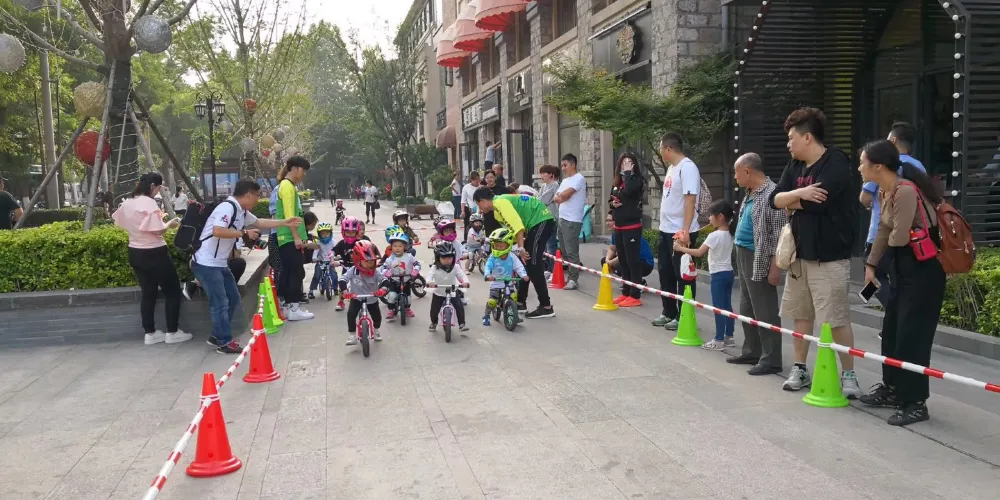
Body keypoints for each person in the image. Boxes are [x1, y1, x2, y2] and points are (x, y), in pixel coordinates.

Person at [769, 107, 861, 397]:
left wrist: (792, 201)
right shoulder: (794, 166)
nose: (788, 144)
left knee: (836, 318)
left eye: (791, 138)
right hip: (799, 255)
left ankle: (848, 374)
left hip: (829, 256)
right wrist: (799, 194)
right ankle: (799, 368)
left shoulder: (836, 162)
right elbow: (774, 199)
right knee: (801, 314)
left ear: (807, 137)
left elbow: (820, 202)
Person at [858, 139, 946, 426]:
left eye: (862, 163)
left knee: (913, 338)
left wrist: (890, 241)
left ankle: (915, 402)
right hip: (902, 270)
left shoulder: (905, 190)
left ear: (878, 166)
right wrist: (871, 265)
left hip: (922, 274)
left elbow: (897, 236)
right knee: (892, 332)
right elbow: (885, 231)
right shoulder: (887, 190)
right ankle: (893, 388)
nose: (859, 168)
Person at [194, 179, 301, 354]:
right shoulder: (227, 207)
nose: (257, 200)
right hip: (206, 263)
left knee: (233, 298)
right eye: (257, 196)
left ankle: (217, 336)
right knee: (220, 303)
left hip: (219, 263)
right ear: (249, 194)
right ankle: (224, 341)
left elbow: (259, 223)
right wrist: (244, 233)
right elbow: (217, 231)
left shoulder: (241, 211)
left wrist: (285, 222)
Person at [726, 153, 787, 376]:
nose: (735, 177)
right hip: (743, 251)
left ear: (747, 171)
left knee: (765, 308)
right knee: (747, 306)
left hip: (759, 256)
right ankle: (752, 350)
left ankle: (771, 358)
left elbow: (780, 233)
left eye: (736, 172)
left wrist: (775, 266)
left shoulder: (772, 193)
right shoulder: (750, 192)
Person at [111, 173, 190, 345]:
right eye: (159, 188)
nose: (158, 191)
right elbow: (158, 230)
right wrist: (170, 224)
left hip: (135, 251)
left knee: (148, 293)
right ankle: (172, 332)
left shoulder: (128, 202)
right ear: (153, 186)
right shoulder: (148, 203)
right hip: (155, 252)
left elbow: (120, 222)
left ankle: (150, 333)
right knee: (173, 291)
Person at [860, 122, 926, 312]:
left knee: (875, 274)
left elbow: (864, 199)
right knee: (900, 279)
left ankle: (894, 311)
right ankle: (898, 313)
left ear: (893, 140)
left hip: (882, 234)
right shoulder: (918, 166)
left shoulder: (882, 168)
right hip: (914, 238)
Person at [474, 188, 556, 319]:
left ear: (482, 201)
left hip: (541, 219)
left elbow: (518, 227)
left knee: (534, 265)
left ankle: (546, 307)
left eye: (478, 205)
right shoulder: (497, 212)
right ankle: (520, 302)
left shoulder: (501, 202)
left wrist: (521, 248)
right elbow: (511, 233)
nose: (480, 209)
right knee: (525, 264)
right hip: (533, 225)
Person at [651, 133, 702, 331]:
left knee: (683, 275)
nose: (660, 152)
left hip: (680, 232)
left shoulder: (687, 167)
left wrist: (685, 230)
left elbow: (690, 200)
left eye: (661, 148)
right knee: (666, 273)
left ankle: (684, 315)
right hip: (666, 229)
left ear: (669, 149)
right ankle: (669, 311)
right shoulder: (672, 168)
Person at [674, 201, 736, 351]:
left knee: (718, 308)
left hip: (718, 275)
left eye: (710, 215)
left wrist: (680, 248)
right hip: (729, 272)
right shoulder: (730, 233)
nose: (709, 219)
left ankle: (719, 339)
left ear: (720, 217)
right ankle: (729, 336)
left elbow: (699, 252)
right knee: (727, 306)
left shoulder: (714, 236)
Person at [274, 156, 314, 321]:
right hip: (290, 238)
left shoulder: (288, 186)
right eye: (303, 170)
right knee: (296, 272)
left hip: (288, 237)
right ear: (295, 168)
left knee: (291, 271)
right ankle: (294, 308)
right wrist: (297, 238)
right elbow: (290, 216)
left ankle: (288, 306)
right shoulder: (287, 186)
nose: (304, 174)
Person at [608, 153, 647, 306]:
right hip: (619, 225)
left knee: (632, 260)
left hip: (632, 226)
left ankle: (635, 295)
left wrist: (628, 174)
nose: (626, 165)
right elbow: (611, 199)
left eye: (630, 162)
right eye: (624, 162)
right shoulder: (617, 181)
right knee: (623, 260)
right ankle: (625, 291)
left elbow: (628, 192)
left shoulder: (636, 179)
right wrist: (613, 205)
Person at [340, 240, 388, 345]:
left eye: (372, 262)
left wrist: (383, 289)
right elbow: (343, 280)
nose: (369, 264)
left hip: (372, 298)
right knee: (351, 315)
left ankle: (376, 330)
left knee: (377, 316)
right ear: (358, 260)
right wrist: (345, 291)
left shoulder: (375, 272)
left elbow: (384, 280)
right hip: (356, 298)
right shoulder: (353, 271)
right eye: (366, 261)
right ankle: (352, 335)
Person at [552, 154, 587, 290]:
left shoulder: (579, 178)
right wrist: (561, 196)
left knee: (571, 250)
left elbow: (565, 195)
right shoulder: (565, 181)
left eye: (565, 165)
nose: (563, 168)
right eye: (562, 165)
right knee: (564, 250)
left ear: (573, 164)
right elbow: (556, 197)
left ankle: (573, 279)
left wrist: (562, 196)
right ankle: (570, 275)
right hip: (562, 217)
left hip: (572, 219)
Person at [482, 227, 528, 326]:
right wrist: (488, 275)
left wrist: (523, 275)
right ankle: (486, 315)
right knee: (492, 301)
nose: (498, 248)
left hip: (509, 282)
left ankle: (514, 315)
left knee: (514, 297)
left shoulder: (512, 257)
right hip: (496, 284)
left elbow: (519, 266)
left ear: (508, 245)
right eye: (496, 246)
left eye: (501, 246)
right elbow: (488, 266)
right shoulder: (493, 257)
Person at [601, 214, 654, 291]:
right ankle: (628, 282)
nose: (607, 223)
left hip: (645, 264)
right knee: (604, 261)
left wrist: (611, 262)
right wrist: (607, 260)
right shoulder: (615, 233)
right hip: (631, 259)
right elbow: (612, 249)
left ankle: (638, 284)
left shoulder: (626, 233)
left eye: (610, 221)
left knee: (621, 265)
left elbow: (624, 254)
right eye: (607, 220)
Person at [427, 241, 471, 332]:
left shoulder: (456, 267)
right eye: (444, 258)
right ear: (438, 258)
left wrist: (465, 282)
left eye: (450, 257)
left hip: (453, 291)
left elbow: (462, 275)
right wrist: (429, 282)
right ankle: (434, 322)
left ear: (453, 257)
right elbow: (429, 276)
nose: (447, 260)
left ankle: (462, 324)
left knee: (459, 306)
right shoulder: (434, 268)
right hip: (439, 292)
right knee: (434, 310)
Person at [380, 229, 421, 320]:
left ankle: (407, 308)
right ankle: (391, 309)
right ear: (391, 247)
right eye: (395, 246)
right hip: (394, 281)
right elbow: (383, 267)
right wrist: (386, 272)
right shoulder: (390, 259)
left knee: (408, 299)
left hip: (406, 280)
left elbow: (417, 264)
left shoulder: (409, 256)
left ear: (405, 247)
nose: (397, 248)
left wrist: (416, 270)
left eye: (400, 246)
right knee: (392, 296)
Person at [331, 216, 368, 311]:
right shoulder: (342, 243)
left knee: (362, 284)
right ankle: (341, 301)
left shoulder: (360, 242)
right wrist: (332, 259)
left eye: (353, 232)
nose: (350, 235)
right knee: (342, 284)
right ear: (343, 232)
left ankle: (364, 300)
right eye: (348, 232)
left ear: (356, 232)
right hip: (346, 267)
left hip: (359, 268)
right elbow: (333, 251)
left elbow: (368, 252)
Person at [537, 164, 561, 277]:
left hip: (552, 218)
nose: (541, 176)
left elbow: (544, 200)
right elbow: (538, 200)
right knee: (546, 245)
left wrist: (540, 199)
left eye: (544, 173)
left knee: (551, 245)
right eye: (541, 173)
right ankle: (548, 269)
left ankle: (554, 270)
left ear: (551, 174)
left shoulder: (555, 185)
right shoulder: (543, 186)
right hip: (543, 217)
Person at [307, 222, 337, 300]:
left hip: (330, 261)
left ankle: (335, 288)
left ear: (330, 233)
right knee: (317, 276)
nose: (325, 235)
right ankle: (311, 290)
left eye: (327, 233)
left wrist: (337, 257)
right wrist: (314, 258)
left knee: (334, 275)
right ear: (319, 234)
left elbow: (336, 250)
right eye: (322, 234)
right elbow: (316, 251)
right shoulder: (319, 243)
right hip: (321, 261)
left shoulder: (333, 242)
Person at [461, 171, 481, 243]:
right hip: (469, 209)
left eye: (477, 179)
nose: (476, 181)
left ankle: (478, 241)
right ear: (471, 179)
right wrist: (463, 211)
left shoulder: (481, 187)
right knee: (468, 226)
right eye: (474, 179)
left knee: (479, 226)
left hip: (479, 209)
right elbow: (463, 200)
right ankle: (466, 241)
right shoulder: (466, 187)